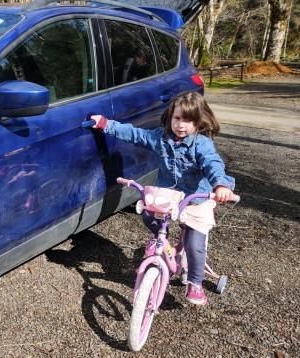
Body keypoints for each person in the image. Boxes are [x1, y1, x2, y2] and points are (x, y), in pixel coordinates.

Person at [90, 91, 236, 306]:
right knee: (149, 217)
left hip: (197, 199)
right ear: (170, 117)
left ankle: (195, 282)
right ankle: (165, 246)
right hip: (169, 196)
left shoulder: (201, 144)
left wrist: (221, 184)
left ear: (198, 122)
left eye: (189, 120)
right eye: (177, 118)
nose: (181, 125)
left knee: (195, 244)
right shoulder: (160, 137)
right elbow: (135, 135)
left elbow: (212, 164)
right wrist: (106, 124)